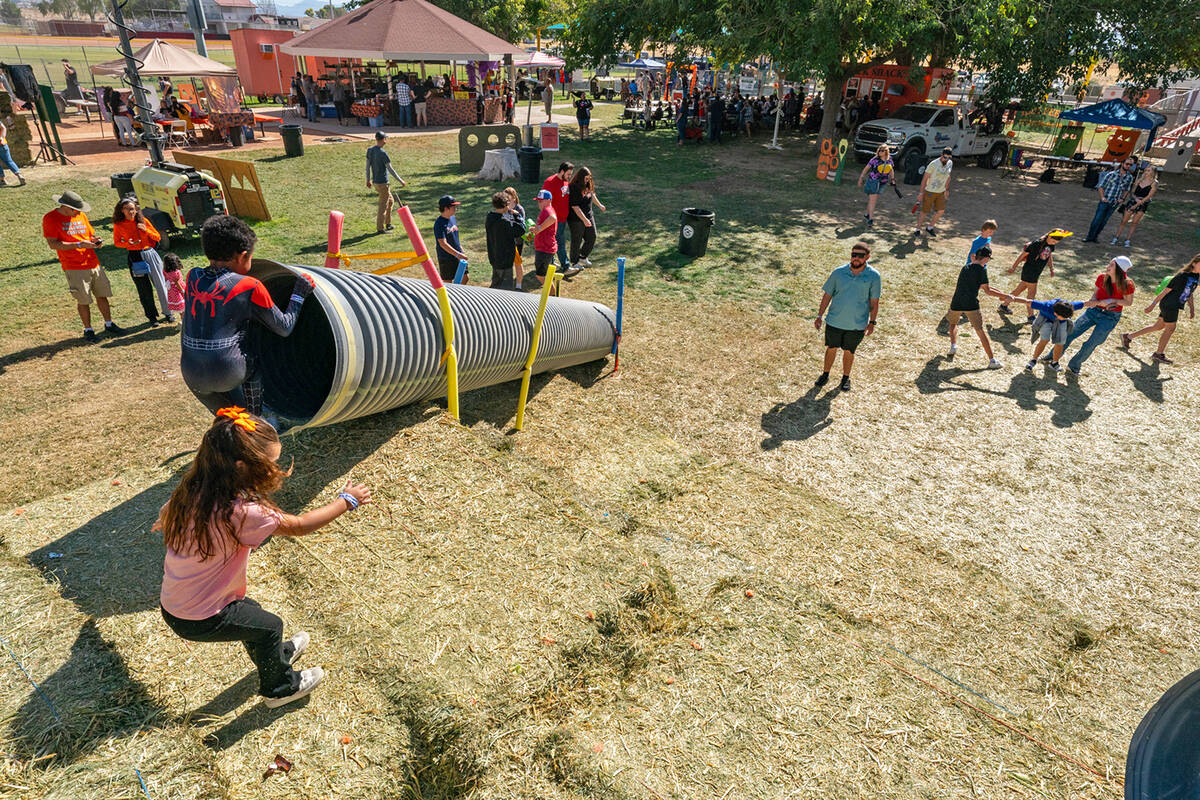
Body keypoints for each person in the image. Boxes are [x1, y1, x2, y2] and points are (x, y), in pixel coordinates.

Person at [158, 406, 372, 709]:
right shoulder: (244, 513)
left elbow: (165, 513)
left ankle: (275, 655)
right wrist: (346, 501)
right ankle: (279, 688)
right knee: (268, 626)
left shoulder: (193, 489)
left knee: (253, 615)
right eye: (271, 464)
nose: (275, 469)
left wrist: (167, 522)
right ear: (244, 467)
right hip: (198, 618)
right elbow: (299, 526)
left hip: (178, 603)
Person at [181, 215, 314, 415]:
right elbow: (284, 327)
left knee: (228, 419)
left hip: (191, 372)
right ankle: (257, 416)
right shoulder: (249, 286)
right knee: (253, 367)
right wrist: (299, 293)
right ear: (242, 256)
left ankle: (236, 427)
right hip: (228, 372)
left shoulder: (193, 276)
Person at [43, 190, 126, 342]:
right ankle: (88, 330)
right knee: (83, 299)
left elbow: (89, 235)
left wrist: (94, 241)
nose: (78, 213)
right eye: (76, 210)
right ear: (65, 206)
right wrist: (79, 244)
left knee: (102, 294)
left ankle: (109, 324)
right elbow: (52, 244)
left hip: (93, 262)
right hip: (74, 266)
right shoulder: (50, 218)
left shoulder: (80, 215)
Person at [813, 242, 882, 391]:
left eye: (860, 256)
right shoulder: (838, 272)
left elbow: (874, 302)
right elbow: (827, 296)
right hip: (834, 321)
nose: (856, 258)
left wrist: (872, 322)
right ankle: (825, 374)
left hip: (857, 324)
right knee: (831, 348)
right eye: (853, 255)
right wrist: (819, 315)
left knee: (849, 351)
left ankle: (845, 378)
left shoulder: (874, 276)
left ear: (867, 257)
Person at [1060, 255, 1134, 376]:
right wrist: (1093, 302)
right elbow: (1095, 295)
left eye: (1111, 265)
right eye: (1109, 264)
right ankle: (1052, 356)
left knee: (1092, 342)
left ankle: (1074, 366)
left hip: (1110, 317)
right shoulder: (1102, 278)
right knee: (1071, 332)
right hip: (1093, 312)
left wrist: (1112, 301)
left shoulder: (1127, 284)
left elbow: (1128, 302)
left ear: (1120, 269)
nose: (1107, 267)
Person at [1122, 254, 1200, 364]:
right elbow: (1165, 291)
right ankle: (1158, 354)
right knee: (1170, 329)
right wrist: (1152, 305)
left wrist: (1192, 308)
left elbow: (1189, 292)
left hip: (1173, 305)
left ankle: (1128, 337)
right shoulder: (1182, 276)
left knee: (1158, 326)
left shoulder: (1196, 277)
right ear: (1194, 263)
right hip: (1169, 305)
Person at [944, 246, 1009, 368]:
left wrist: (1002, 294)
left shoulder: (965, 267)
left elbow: (979, 286)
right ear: (986, 258)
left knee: (953, 323)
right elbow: (988, 291)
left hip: (956, 302)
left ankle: (953, 346)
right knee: (979, 330)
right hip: (971, 304)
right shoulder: (981, 270)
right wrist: (1005, 296)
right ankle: (992, 360)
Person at [113, 197, 172, 324]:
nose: (131, 212)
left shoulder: (143, 221)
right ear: (122, 210)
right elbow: (117, 243)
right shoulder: (119, 225)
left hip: (150, 254)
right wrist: (127, 243)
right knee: (143, 288)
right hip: (135, 256)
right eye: (128, 209)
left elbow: (157, 237)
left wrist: (147, 230)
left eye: (133, 209)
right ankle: (152, 317)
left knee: (161, 284)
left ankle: (168, 313)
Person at [999, 229, 1070, 323]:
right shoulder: (1036, 244)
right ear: (1049, 236)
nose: (1053, 243)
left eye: (1056, 242)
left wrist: (1051, 268)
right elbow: (1022, 255)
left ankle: (1004, 305)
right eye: (1053, 241)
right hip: (1029, 271)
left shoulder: (1051, 245)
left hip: (1036, 272)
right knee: (1031, 295)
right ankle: (1031, 316)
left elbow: (1049, 255)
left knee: (1019, 290)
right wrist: (1013, 267)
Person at [1009, 298, 1089, 372]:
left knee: (1060, 343)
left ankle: (1054, 363)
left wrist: (1098, 302)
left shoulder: (1069, 307)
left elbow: (1086, 303)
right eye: (1064, 317)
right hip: (1045, 319)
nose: (1066, 318)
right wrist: (1011, 298)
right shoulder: (1045, 306)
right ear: (1055, 313)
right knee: (1045, 340)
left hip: (1060, 323)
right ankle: (1033, 360)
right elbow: (1027, 301)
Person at [1083, 156, 1136, 242]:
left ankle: (1095, 237)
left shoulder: (1129, 177)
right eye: (1127, 164)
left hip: (1115, 203)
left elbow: (1127, 189)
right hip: (1105, 200)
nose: (1128, 166)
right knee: (1097, 219)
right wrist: (1102, 197)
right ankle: (1089, 237)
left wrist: (1122, 198)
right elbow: (1101, 187)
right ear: (1122, 163)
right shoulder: (1111, 174)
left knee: (1104, 221)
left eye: (1131, 165)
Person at [365, 131, 406, 234]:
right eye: (385, 138)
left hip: (376, 183)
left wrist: (368, 180)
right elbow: (391, 170)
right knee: (383, 206)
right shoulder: (383, 154)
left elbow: (367, 166)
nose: (386, 140)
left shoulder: (370, 150)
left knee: (391, 201)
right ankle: (380, 228)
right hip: (383, 184)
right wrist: (400, 180)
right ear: (383, 140)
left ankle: (388, 223)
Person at [531, 188, 573, 285]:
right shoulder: (545, 210)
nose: (539, 203)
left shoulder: (548, 210)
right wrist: (536, 229)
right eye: (538, 201)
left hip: (545, 248)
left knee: (540, 276)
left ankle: (552, 295)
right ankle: (552, 295)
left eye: (541, 201)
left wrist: (540, 228)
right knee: (543, 275)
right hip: (543, 247)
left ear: (549, 200)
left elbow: (553, 218)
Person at [568, 166, 606, 270]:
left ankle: (583, 256)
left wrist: (600, 205)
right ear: (580, 177)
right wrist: (584, 220)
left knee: (592, 236)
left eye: (589, 178)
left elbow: (592, 195)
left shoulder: (588, 184)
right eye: (586, 178)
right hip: (576, 219)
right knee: (577, 240)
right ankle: (574, 262)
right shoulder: (574, 188)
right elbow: (575, 207)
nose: (588, 180)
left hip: (589, 216)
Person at [1111, 165, 1158, 247]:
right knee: (1124, 221)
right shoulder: (1139, 180)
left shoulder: (1154, 183)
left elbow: (1149, 196)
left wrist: (1137, 204)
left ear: (1153, 172)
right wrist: (1135, 199)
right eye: (1146, 170)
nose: (1146, 172)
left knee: (1134, 223)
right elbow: (1132, 192)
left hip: (1143, 204)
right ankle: (1116, 238)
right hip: (1133, 201)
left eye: (1149, 170)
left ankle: (1127, 240)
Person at [541, 161, 574, 273]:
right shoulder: (550, 182)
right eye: (568, 174)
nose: (570, 176)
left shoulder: (565, 182)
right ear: (562, 171)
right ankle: (566, 266)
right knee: (560, 242)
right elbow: (544, 201)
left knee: (554, 241)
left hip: (563, 219)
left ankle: (551, 262)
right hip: (554, 219)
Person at [485, 191, 521, 290]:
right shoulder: (504, 222)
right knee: (505, 289)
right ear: (505, 205)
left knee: (496, 284)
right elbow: (520, 230)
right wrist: (517, 216)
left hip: (494, 258)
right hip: (505, 261)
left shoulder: (489, 217)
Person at [915, 147, 953, 237]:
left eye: (948, 157)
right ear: (941, 155)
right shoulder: (933, 164)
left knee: (940, 211)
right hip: (930, 191)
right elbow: (924, 179)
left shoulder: (950, 163)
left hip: (941, 191)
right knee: (925, 211)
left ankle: (930, 227)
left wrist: (946, 190)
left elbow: (948, 177)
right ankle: (918, 229)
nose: (946, 159)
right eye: (944, 157)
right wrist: (921, 193)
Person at [856, 144, 894, 227]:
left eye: (882, 150)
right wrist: (861, 178)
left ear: (886, 152)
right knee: (873, 200)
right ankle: (870, 219)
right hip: (873, 181)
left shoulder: (889, 160)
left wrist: (893, 179)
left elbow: (891, 170)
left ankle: (867, 214)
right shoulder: (874, 160)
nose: (880, 152)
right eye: (879, 150)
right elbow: (866, 168)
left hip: (883, 182)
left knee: (872, 200)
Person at [434, 195, 468, 283]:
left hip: (457, 254)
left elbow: (455, 237)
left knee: (465, 277)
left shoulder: (452, 218)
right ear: (446, 208)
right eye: (453, 207)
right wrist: (457, 255)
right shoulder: (439, 224)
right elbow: (443, 243)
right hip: (446, 258)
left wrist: (461, 250)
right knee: (447, 282)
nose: (455, 209)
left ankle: (458, 295)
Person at [0, 117, 26, 187]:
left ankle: (2, 180)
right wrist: (2, 137)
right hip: (2, 144)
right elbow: (3, 128)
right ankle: (19, 175)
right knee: (9, 161)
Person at [162, 251, 187, 319]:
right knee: (183, 309)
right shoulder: (176, 272)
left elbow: (166, 279)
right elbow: (177, 283)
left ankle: (183, 321)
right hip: (178, 291)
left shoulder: (165, 271)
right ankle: (184, 323)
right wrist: (182, 290)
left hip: (172, 291)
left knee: (180, 309)